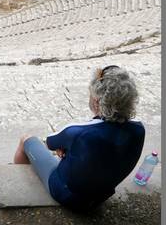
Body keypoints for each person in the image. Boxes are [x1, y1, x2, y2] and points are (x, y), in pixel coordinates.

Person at [13, 65, 145, 212]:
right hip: (100, 196)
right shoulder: (139, 130)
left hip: (66, 194)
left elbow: (50, 143)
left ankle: (15, 182)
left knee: (27, 139)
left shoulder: (79, 131)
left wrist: (65, 146)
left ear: (96, 101)